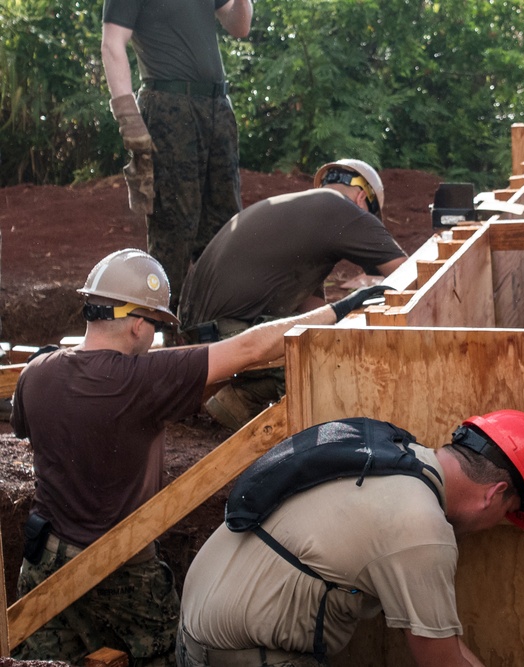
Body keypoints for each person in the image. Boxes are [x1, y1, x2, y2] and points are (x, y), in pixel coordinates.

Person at [10, 248, 388, 666]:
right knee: (167, 656)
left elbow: (50, 422)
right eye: (155, 327)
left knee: (35, 660)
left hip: (44, 561)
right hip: (123, 571)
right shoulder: (139, 380)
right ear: (137, 325)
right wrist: (339, 309)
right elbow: (249, 347)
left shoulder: (36, 373)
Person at [176, 410, 524, 667]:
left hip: (195, 627)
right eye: (507, 512)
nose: (495, 523)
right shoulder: (421, 527)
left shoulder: (389, 451)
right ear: (494, 494)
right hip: (237, 652)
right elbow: (441, 660)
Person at [177, 158, 408, 430]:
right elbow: (407, 275)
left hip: (196, 333)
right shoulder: (342, 209)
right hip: (231, 333)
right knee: (336, 365)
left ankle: (240, 395)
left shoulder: (303, 217)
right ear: (361, 198)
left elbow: (314, 315)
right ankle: (242, 397)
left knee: (326, 344)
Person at [101, 0, 253, 310]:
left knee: (226, 225)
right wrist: (128, 117)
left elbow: (239, 26)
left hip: (217, 107)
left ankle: (222, 326)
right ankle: (172, 337)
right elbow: (112, 44)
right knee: (175, 228)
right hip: (169, 107)